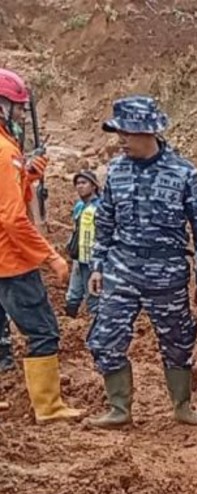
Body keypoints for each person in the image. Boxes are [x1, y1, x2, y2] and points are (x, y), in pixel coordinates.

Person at [85, 96, 197, 429]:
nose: (121, 140)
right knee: (105, 338)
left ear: (147, 133)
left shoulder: (184, 173)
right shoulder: (115, 170)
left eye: (126, 133)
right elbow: (105, 221)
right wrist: (97, 264)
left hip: (167, 273)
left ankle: (182, 405)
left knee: (178, 339)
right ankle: (119, 408)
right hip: (121, 268)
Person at [0, 68, 80, 421]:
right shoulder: (4, 151)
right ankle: (49, 407)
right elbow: (12, 217)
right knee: (43, 330)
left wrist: (26, 176)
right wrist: (50, 257)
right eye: (16, 108)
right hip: (11, 261)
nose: (19, 115)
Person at [64, 170, 101, 318]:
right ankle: (69, 325)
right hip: (79, 257)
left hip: (92, 259)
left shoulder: (100, 207)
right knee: (73, 294)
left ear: (93, 186)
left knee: (92, 295)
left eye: (84, 183)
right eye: (78, 184)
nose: (80, 186)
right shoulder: (79, 207)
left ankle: (95, 328)